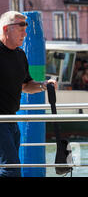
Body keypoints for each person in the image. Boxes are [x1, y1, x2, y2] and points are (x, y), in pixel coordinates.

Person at [0, 11, 57, 177]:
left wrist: (43, 85)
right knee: (11, 169)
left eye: (26, 28)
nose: (25, 33)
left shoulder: (20, 55)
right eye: (21, 28)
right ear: (6, 29)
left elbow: (26, 85)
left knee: (10, 167)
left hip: (11, 121)